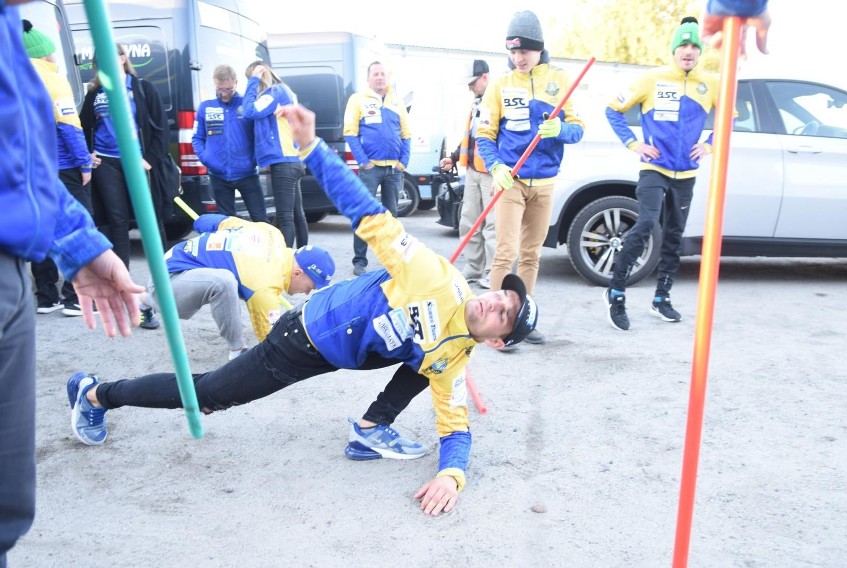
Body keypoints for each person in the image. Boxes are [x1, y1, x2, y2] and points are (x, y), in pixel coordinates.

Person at [65, 103, 539, 517]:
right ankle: (97, 394)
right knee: (209, 395)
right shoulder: (433, 277)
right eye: (503, 295)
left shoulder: (457, 354)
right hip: (304, 339)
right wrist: (312, 147)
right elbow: (367, 212)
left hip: (347, 346)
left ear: (496, 341)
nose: (496, 300)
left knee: (431, 361)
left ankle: (371, 429)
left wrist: (451, 477)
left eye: (504, 313)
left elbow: (455, 427)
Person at [1, 3, 142, 562]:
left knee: (7, 508)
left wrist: (75, 245)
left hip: (13, 263)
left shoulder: (13, 26)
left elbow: (18, 150)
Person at [602, 17, 721, 331]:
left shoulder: (710, 83)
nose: (689, 51)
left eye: (695, 45)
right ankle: (616, 292)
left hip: (686, 174)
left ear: (700, 51)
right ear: (674, 48)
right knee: (645, 224)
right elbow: (612, 109)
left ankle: (661, 299)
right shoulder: (651, 79)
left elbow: (729, 119)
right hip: (654, 168)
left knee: (674, 235)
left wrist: (709, 144)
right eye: (683, 44)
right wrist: (633, 142)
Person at [476, 10, 584, 346]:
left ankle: (523, 319)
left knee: (532, 253)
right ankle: (492, 323)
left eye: (524, 51)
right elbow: (484, 133)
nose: (518, 58)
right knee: (505, 251)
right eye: (512, 51)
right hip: (511, 181)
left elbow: (578, 129)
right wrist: (496, 167)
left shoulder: (560, 79)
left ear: (538, 49)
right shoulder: (500, 84)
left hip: (546, 183)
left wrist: (561, 129)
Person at [140, 214, 334, 360]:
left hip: (172, 264)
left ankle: (142, 299)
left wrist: (205, 229)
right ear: (297, 273)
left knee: (225, 280)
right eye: (311, 285)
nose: (308, 292)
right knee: (224, 282)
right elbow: (272, 341)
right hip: (166, 283)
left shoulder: (272, 234)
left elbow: (214, 222)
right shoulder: (264, 284)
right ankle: (236, 351)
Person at [21, 19, 95, 316]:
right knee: (79, 226)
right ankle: (75, 297)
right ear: (45, 53)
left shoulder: (14, 77)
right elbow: (69, 126)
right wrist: (85, 163)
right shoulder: (52, 78)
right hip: (63, 168)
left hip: (31, 169)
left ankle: (46, 296)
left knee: (42, 229)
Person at [79, 44, 171, 278]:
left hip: (138, 163)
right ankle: (122, 279)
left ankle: (165, 276)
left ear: (122, 59)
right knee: (116, 221)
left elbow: (161, 128)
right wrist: (87, 153)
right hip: (106, 163)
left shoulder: (142, 88)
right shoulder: (95, 92)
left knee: (150, 218)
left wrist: (149, 160)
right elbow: (83, 126)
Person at [343, 61, 411, 276]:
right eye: (375, 74)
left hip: (393, 170)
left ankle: (391, 261)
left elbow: (406, 134)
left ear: (387, 77)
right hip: (370, 169)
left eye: (383, 74)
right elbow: (350, 133)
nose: (380, 77)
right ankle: (359, 261)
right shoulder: (357, 100)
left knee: (391, 219)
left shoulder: (397, 102)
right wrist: (364, 161)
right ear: (368, 78)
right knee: (364, 215)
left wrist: (403, 162)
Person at [439, 59, 494, 290]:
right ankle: (473, 267)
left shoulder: (497, 100)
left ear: (485, 77)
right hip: (472, 171)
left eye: (472, 83)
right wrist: (453, 156)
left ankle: (494, 272)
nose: (470, 88)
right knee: (469, 220)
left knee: (494, 226)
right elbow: (469, 136)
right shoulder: (477, 103)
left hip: (492, 172)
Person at [242, 61, 308, 248]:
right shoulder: (285, 92)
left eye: (251, 78)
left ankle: (286, 264)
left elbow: (249, 111)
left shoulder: (275, 93)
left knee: (285, 218)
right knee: (297, 214)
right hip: (293, 160)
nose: (250, 83)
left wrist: (253, 80)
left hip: (283, 161)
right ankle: (303, 255)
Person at [192, 64, 267, 223]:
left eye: (229, 90)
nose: (224, 94)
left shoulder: (246, 105)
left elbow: (260, 135)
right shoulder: (206, 107)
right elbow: (197, 138)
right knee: (226, 224)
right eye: (220, 90)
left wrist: (254, 160)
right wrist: (207, 158)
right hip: (218, 175)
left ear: (236, 83)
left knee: (261, 220)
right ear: (215, 84)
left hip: (247, 174)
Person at [701, 0, 770, 56]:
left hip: (721, 6)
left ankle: (717, 37)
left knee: (706, 33)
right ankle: (762, 47)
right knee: (763, 25)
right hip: (753, 8)